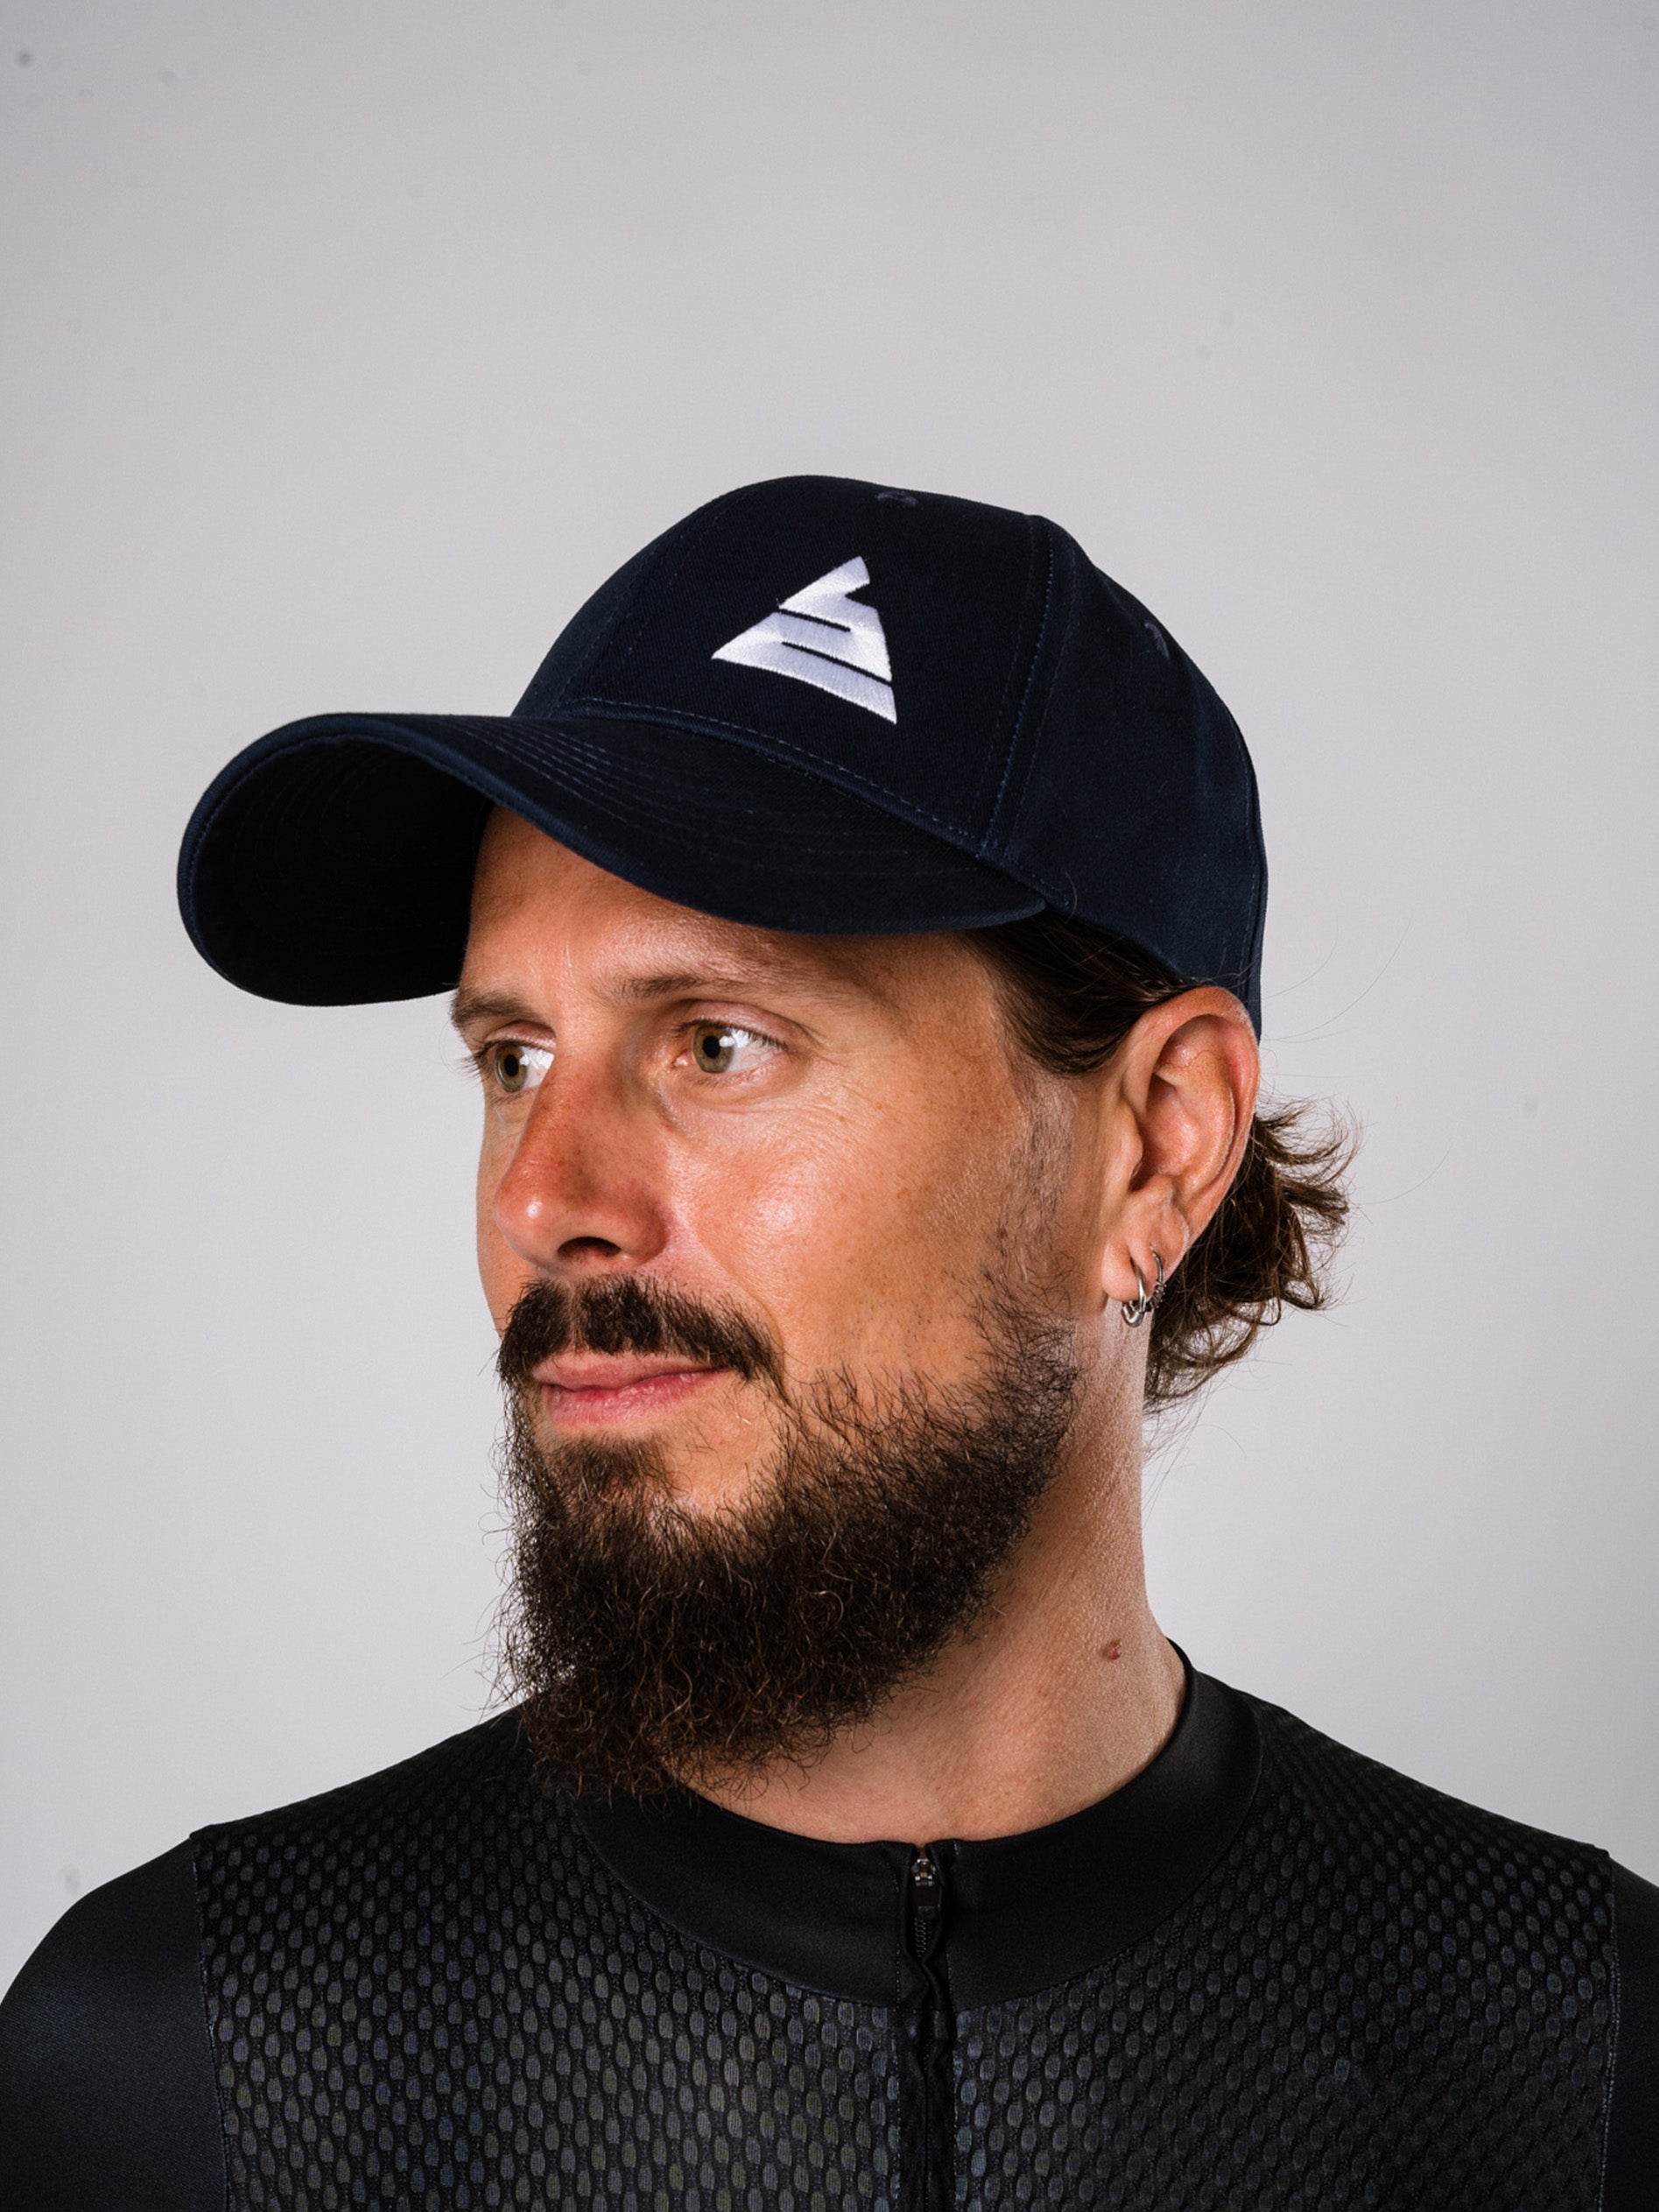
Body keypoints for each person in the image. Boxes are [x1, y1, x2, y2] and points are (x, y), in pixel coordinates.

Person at [1, 474, 1652, 2211]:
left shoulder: (1585, 2065)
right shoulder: (188, 2071)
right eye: (513, 1059)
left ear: (1159, 1145)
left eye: (718, 1042)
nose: (545, 1199)